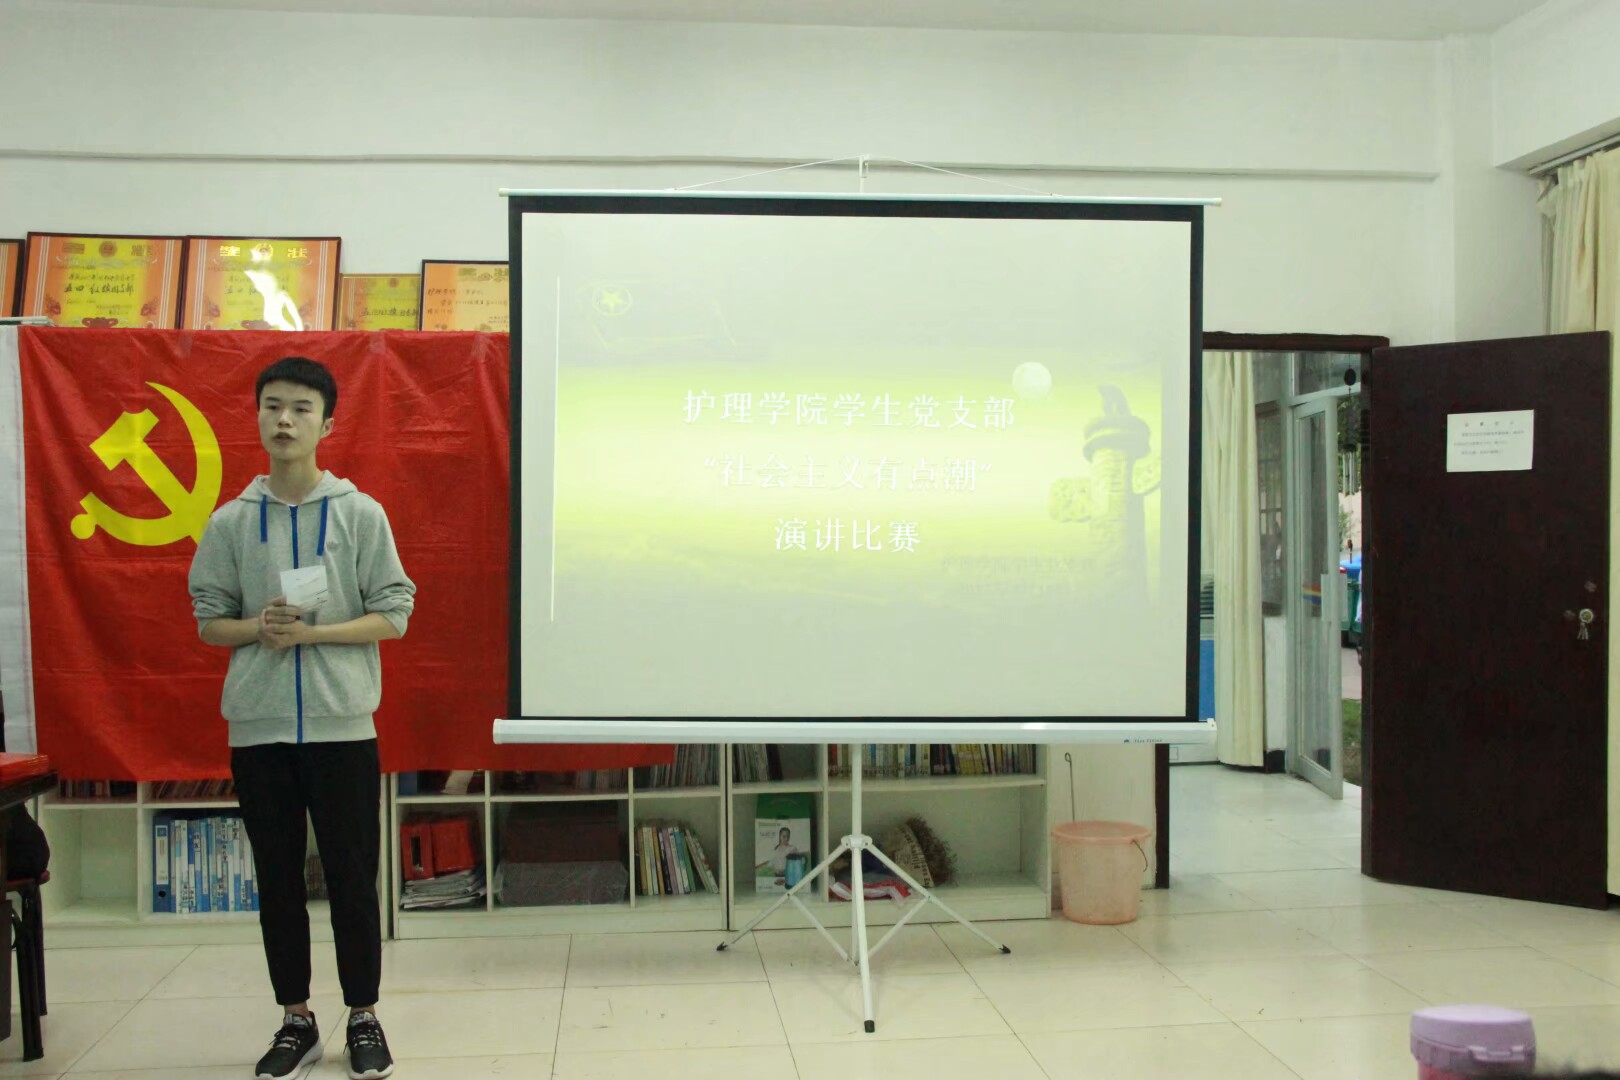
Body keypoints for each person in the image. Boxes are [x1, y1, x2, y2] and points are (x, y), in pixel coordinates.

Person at [189, 357, 415, 1080]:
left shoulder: (359, 514)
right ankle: (296, 1019)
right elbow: (207, 620)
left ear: (328, 423)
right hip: (259, 730)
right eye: (272, 406)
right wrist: (258, 627)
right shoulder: (230, 522)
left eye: (300, 409)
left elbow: (395, 612)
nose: (284, 421)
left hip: (343, 725)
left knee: (352, 878)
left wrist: (315, 636)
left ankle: (364, 1015)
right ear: (257, 415)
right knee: (278, 880)